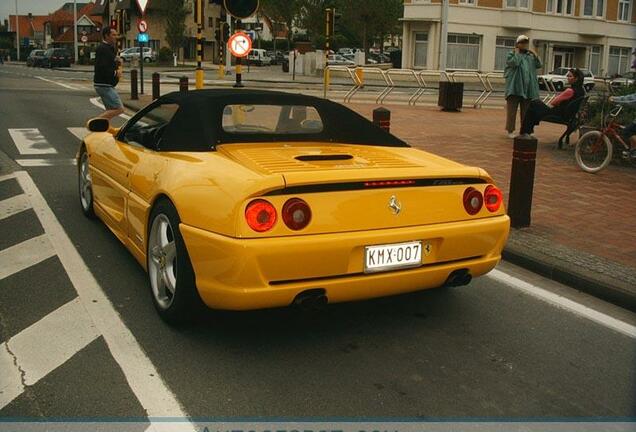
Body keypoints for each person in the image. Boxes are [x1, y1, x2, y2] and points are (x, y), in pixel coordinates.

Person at [519, 68, 585, 136]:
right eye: (567, 76)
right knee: (534, 108)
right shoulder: (581, 91)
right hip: (568, 116)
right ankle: (528, 131)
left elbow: (553, 102)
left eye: (570, 76)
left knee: (534, 103)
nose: (567, 77)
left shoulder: (570, 91)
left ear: (576, 78)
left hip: (557, 114)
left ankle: (525, 131)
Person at [504, 35, 542, 138]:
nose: (524, 45)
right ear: (517, 44)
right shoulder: (511, 54)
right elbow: (514, 63)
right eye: (522, 43)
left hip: (528, 89)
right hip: (514, 88)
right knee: (512, 111)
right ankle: (510, 130)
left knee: (526, 112)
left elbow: (539, 64)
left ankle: (526, 130)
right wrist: (517, 52)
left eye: (526, 43)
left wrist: (535, 54)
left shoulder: (530, 56)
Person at [94, 27, 123, 120]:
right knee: (119, 109)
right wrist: (115, 73)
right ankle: (95, 123)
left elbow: (110, 63)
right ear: (106, 36)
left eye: (116, 35)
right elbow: (102, 67)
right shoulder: (103, 49)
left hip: (106, 84)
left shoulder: (109, 48)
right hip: (104, 84)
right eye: (113, 35)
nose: (116, 37)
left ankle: (103, 129)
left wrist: (117, 61)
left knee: (110, 110)